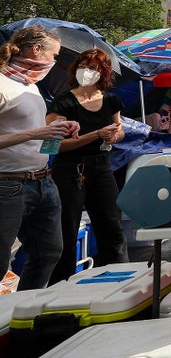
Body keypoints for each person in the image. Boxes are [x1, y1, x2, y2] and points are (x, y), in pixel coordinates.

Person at [0, 25, 80, 290]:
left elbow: (35, 137)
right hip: (8, 185)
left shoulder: (31, 86)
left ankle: (22, 312)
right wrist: (39, 131)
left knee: (48, 253)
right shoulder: (2, 83)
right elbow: (29, 133)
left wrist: (57, 132)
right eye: (53, 55)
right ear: (36, 50)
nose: (55, 62)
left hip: (43, 181)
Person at [45, 49, 128, 284]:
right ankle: (60, 287)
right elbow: (52, 146)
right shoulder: (63, 102)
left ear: (103, 72)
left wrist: (115, 136)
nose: (87, 72)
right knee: (66, 232)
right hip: (70, 170)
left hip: (102, 167)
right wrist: (95, 135)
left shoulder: (111, 100)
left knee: (112, 228)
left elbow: (119, 129)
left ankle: (119, 283)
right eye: (83, 66)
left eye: (93, 68)